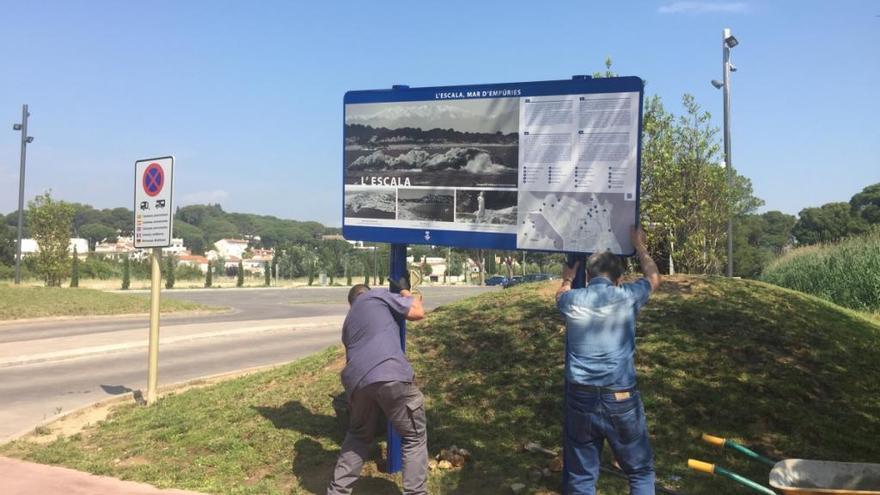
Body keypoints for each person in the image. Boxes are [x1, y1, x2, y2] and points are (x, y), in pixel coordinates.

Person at [555, 226, 661, 495]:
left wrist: (568, 279)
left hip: (580, 397)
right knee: (640, 472)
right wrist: (640, 247)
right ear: (619, 278)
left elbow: (560, 295)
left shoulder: (573, 300)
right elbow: (654, 278)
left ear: (587, 276)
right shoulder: (628, 296)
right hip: (621, 398)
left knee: (580, 477)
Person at [327, 274, 428, 495]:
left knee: (358, 436)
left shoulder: (348, 324)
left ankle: (337, 491)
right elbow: (417, 312)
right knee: (413, 436)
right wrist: (404, 291)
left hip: (357, 384)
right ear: (367, 291)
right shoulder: (377, 296)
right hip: (390, 373)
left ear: (350, 303)